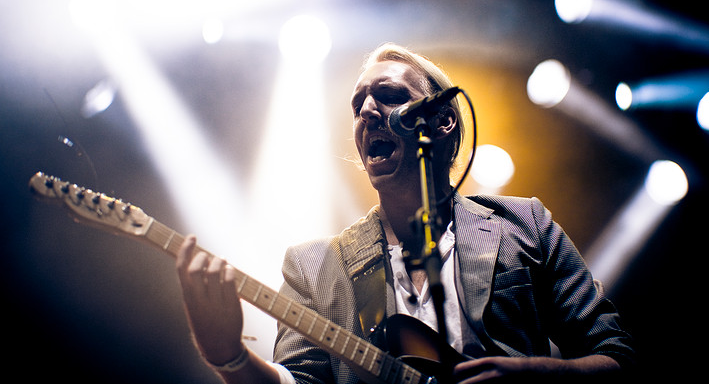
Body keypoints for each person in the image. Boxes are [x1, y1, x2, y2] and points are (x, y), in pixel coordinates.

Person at [176, 43, 634, 384]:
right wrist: (229, 357)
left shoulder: (525, 225)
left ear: (442, 121)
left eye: (389, 95)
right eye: (359, 104)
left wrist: (530, 374)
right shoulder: (313, 267)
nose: (368, 111)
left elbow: (616, 358)